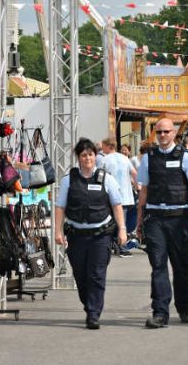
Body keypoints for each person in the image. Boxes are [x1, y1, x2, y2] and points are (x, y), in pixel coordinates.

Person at [136, 118, 188, 328]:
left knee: (181, 265)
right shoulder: (148, 158)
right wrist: (139, 222)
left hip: (178, 217)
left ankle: (184, 307)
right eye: (159, 132)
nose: (163, 136)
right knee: (158, 265)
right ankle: (160, 312)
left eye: (166, 132)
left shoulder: (185, 157)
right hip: (155, 217)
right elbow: (144, 192)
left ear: (174, 133)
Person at [54, 138, 127, 330]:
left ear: (96, 156)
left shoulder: (106, 179)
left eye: (91, 154)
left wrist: (122, 229)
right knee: (80, 274)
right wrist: (58, 230)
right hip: (76, 235)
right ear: (78, 157)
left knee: (96, 274)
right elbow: (60, 207)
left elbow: (117, 205)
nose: (88, 158)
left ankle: (94, 313)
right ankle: (89, 304)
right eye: (84, 155)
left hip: (100, 236)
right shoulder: (68, 180)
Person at [102, 137, 138, 257]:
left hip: (111, 196)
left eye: (103, 146)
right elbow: (134, 173)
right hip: (126, 196)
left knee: (111, 221)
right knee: (122, 223)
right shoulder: (124, 158)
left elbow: (100, 177)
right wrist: (138, 186)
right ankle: (120, 246)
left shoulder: (105, 159)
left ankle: (116, 246)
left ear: (107, 146)